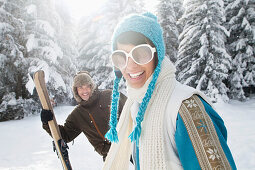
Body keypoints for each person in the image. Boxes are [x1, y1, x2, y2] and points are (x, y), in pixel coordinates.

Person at [103, 12, 237, 170]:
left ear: (157, 55)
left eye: (141, 53)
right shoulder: (136, 106)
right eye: (121, 56)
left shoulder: (186, 108)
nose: (130, 66)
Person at [40, 71, 127, 161]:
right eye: (80, 87)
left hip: (130, 145)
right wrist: (47, 123)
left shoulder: (109, 95)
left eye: (87, 86)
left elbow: (131, 109)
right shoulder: (78, 114)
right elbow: (65, 135)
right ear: (76, 90)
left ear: (91, 86)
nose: (84, 91)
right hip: (111, 155)